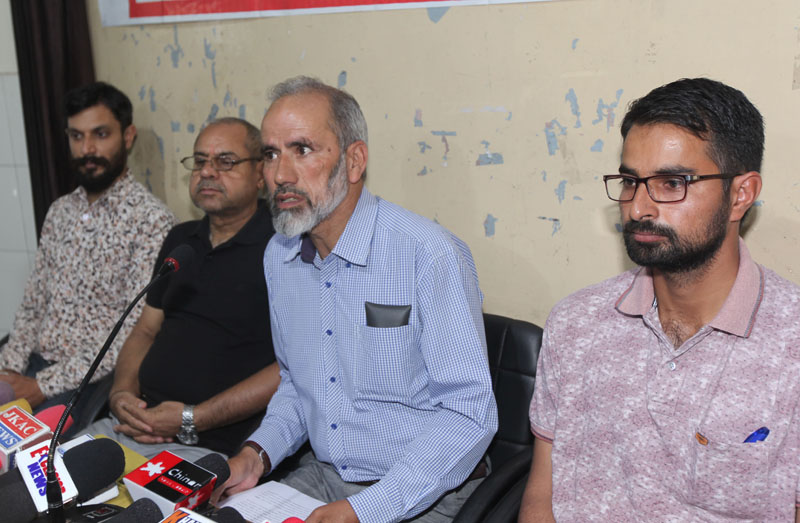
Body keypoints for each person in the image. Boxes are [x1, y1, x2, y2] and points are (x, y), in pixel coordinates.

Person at [216, 77, 497, 522]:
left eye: (302, 149)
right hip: (323, 476)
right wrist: (256, 453)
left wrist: (365, 509)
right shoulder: (280, 256)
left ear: (353, 161)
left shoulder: (429, 255)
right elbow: (296, 384)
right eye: (271, 154)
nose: (281, 175)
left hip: (425, 492)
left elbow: (468, 415)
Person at [519, 78, 800, 521]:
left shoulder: (790, 343)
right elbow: (542, 495)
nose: (638, 208)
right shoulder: (577, 323)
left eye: (672, 183)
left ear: (740, 194)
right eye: (631, 182)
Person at [80, 117, 280, 462]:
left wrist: (191, 418)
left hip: (206, 446)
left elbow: (287, 370)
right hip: (129, 425)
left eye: (226, 162)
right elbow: (145, 329)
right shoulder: (180, 241)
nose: (207, 172)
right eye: (200, 161)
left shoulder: (283, 248)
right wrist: (122, 394)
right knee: (38, 487)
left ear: (260, 173)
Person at [0, 82, 175, 416]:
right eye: (76, 136)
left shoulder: (151, 221)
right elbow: (34, 302)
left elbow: (133, 331)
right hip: (32, 365)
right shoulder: (60, 211)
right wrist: (9, 370)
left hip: (88, 384)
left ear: (127, 136)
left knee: (22, 461)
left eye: (100, 134)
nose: (87, 148)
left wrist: (43, 385)